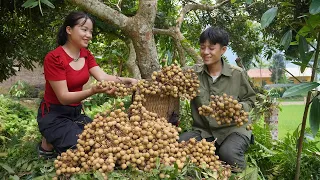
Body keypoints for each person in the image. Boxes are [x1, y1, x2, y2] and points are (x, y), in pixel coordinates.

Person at [37, 11, 137, 158]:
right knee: (85, 150)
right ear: (69, 30)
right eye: (84, 29)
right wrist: (92, 91)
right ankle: (47, 142)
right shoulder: (54, 58)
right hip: (55, 115)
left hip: (75, 113)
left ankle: (56, 137)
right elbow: (63, 97)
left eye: (90, 31)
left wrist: (126, 80)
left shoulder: (86, 54)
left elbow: (103, 76)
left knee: (105, 140)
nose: (89, 35)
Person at [179, 26, 256, 171]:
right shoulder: (191, 74)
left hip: (234, 129)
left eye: (211, 48)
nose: (205, 52)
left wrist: (238, 107)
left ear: (223, 50)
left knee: (229, 153)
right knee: (180, 144)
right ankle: (213, 157)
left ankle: (240, 173)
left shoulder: (237, 74)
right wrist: (135, 82)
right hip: (204, 131)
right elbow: (165, 79)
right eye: (202, 47)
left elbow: (250, 100)